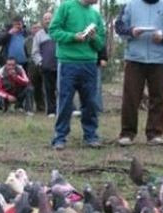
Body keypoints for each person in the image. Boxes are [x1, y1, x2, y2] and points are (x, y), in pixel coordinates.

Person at [115, 0, 163, 147]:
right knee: (130, 97)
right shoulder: (130, 5)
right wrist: (131, 31)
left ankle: (155, 134)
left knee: (158, 97)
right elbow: (119, 27)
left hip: (159, 59)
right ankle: (127, 133)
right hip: (134, 58)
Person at [49, 0, 106, 150]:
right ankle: (60, 137)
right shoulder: (66, 7)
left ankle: (91, 136)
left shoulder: (96, 15)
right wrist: (73, 36)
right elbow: (53, 31)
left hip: (89, 64)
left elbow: (101, 44)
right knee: (65, 100)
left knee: (90, 102)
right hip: (68, 62)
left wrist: (93, 37)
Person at [32, 12, 57, 117]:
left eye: (50, 18)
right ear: (43, 21)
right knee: (49, 89)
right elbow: (35, 52)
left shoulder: (58, 32)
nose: (48, 20)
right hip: (46, 67)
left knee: (63, 89)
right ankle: (51, 111)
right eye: (45, 19)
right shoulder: (38, 35)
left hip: (60, 65)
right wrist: (41, 63)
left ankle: (66, 109)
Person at [27, 23, 45, 113]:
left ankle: (49, 105)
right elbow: (26, 52)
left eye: (38, 27)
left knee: (47, 85)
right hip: (32, 66)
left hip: (44, 64)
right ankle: (39, 106)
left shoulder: (45, 37)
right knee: (35, 86)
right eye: (34, 28)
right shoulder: (27, 41)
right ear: (31, 30)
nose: (36, 29)